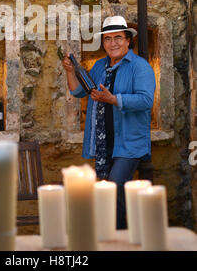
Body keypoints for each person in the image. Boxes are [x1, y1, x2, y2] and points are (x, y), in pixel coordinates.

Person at [62, 15, 156, 229]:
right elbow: (78, 91)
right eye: (108, 39)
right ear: (103, 42)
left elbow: (145, 100)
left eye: (118, 38)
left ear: (127, 40)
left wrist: (113, 99)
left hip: (129, 143)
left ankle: (117, 236)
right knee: (109, 192)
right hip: (104, 143)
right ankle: (117, 235)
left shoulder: (139, 67)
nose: (113, 43)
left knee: (113, 187)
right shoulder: (100, 65)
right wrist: (70, 71)